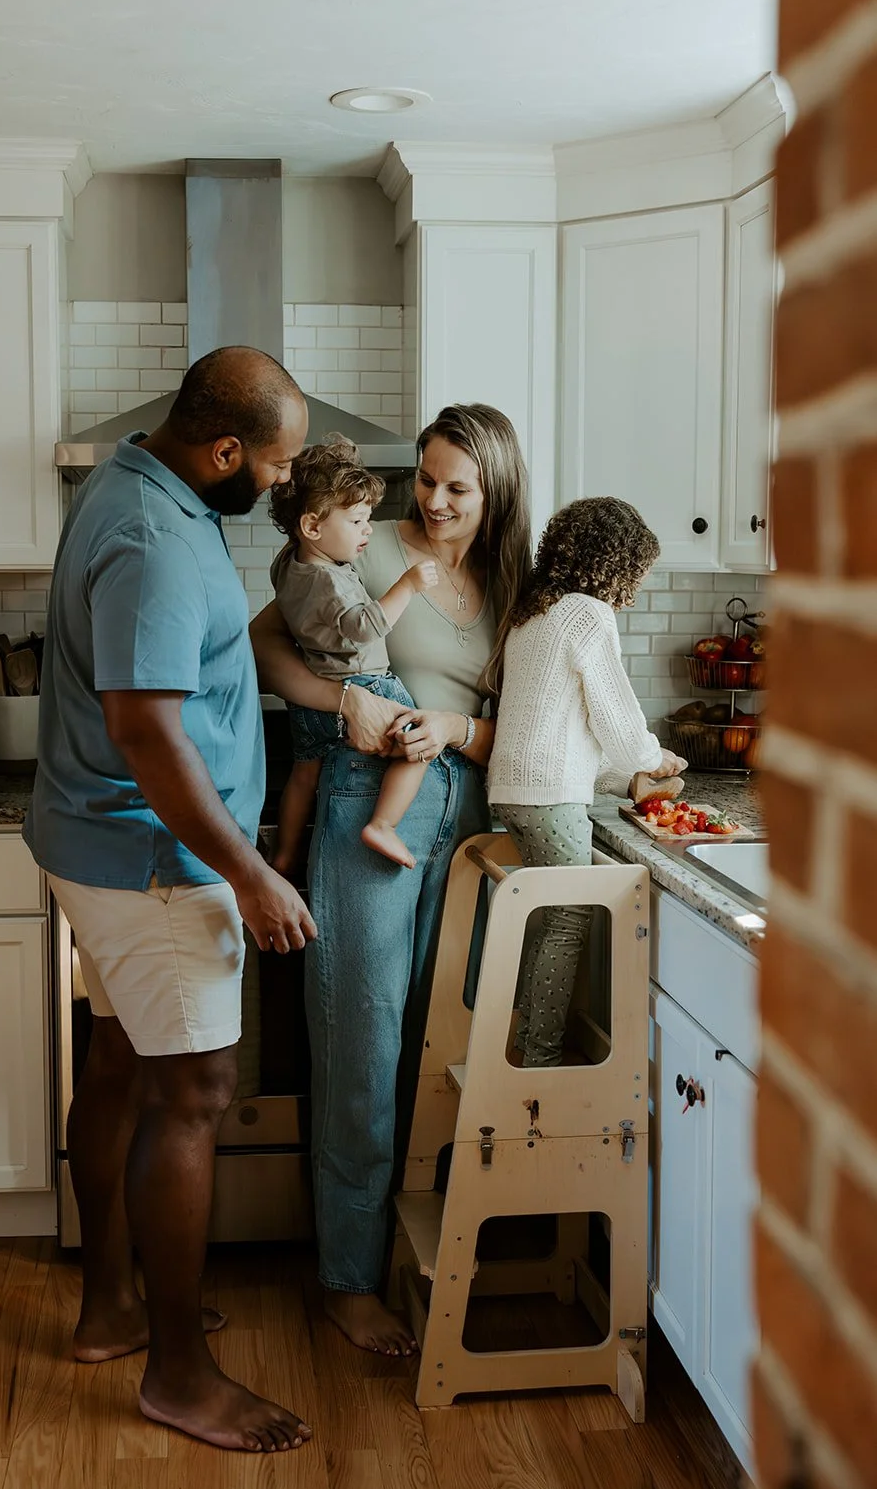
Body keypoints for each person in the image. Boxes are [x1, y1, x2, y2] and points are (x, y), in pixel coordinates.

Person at [23, 346, 317, 1453]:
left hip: (97, 845)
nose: (284, 485)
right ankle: (179, 1378)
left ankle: (111, 1306)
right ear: (225, 449)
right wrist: (249, 872)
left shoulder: (138, 482)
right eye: (277, 467)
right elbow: (146, 730)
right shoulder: (152, 539)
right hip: (155, 863)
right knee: (193, 1092)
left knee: (117, 1063)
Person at [252, 402, 529, 1357]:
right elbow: (263, 647)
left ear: (494, 490)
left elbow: (525, 726)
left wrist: (458, 732)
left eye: (459, 486)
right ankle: (345, 1280)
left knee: (438, 1048)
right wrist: (348, 701)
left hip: (474, 819)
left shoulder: (511, 585)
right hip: (368, 804)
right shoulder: (359, 550)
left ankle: (429, 1253)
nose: (438, 501)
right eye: (427, 480)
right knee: (362, 1044)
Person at [486, 496, 687, 1067]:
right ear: (616, 564)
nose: (638, 586)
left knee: (552, 917)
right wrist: (652, 757)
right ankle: (540, 1059)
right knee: (568, 920)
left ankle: (524, 1044)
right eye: (638, 572)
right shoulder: (588, 615)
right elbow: (615, 715)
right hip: (550, 799)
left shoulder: (535, 612)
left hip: (517, 791)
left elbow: (557, 734)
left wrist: (628, 782)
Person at [267, 434, 440, 874]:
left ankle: (284, 855)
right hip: (365, 684)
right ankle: (383, 824)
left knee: (303, 775)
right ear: (312, 527)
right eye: (359, 521)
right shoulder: (332, 581)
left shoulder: (289, 563)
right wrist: (408, 584)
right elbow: (366, 627)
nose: (367, 531)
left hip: (310, 697)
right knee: (420, 744)